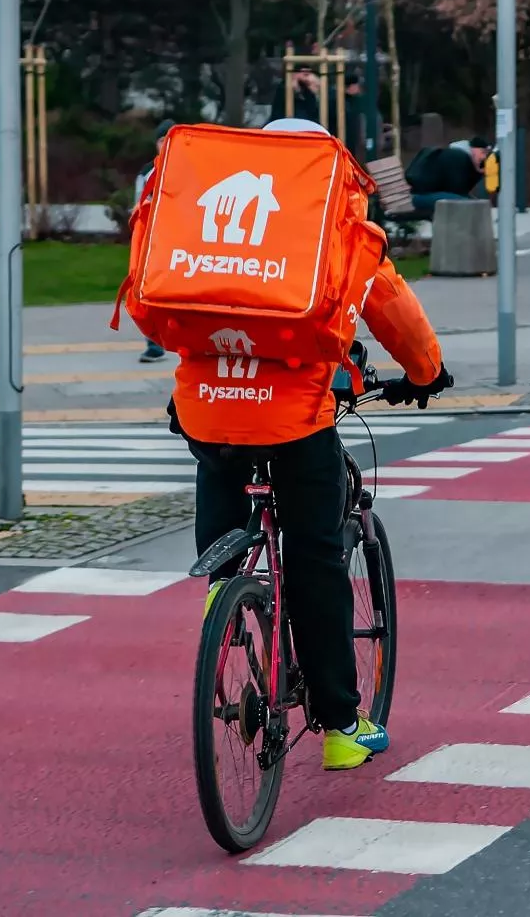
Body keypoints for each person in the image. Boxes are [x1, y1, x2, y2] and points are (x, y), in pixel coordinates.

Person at [172, 117, 451, 771]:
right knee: (317, 555)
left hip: (208, 410)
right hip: (295, 420)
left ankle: (223, 588)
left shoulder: (214, 222)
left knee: (218, 456)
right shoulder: (338, 229)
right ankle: (340, 726)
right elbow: (394, 312)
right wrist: (425, 371)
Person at [135, 119, 174, 363]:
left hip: (181, 239)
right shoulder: (148, 171)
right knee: (151, 290)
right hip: (155, 238)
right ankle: (154, 341)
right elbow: (139, 205)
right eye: (163, 139)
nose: (167, 144)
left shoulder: (192, 167)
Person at [405, 136, 488, 215]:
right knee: (468, 204)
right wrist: (477, 173)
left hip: (422, 195)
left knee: (472, 203)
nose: (483, 157)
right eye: (482, 152)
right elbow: (457, 189)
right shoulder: (458, 156)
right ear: (473, 149)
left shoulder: (455, 154)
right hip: (422, 196)